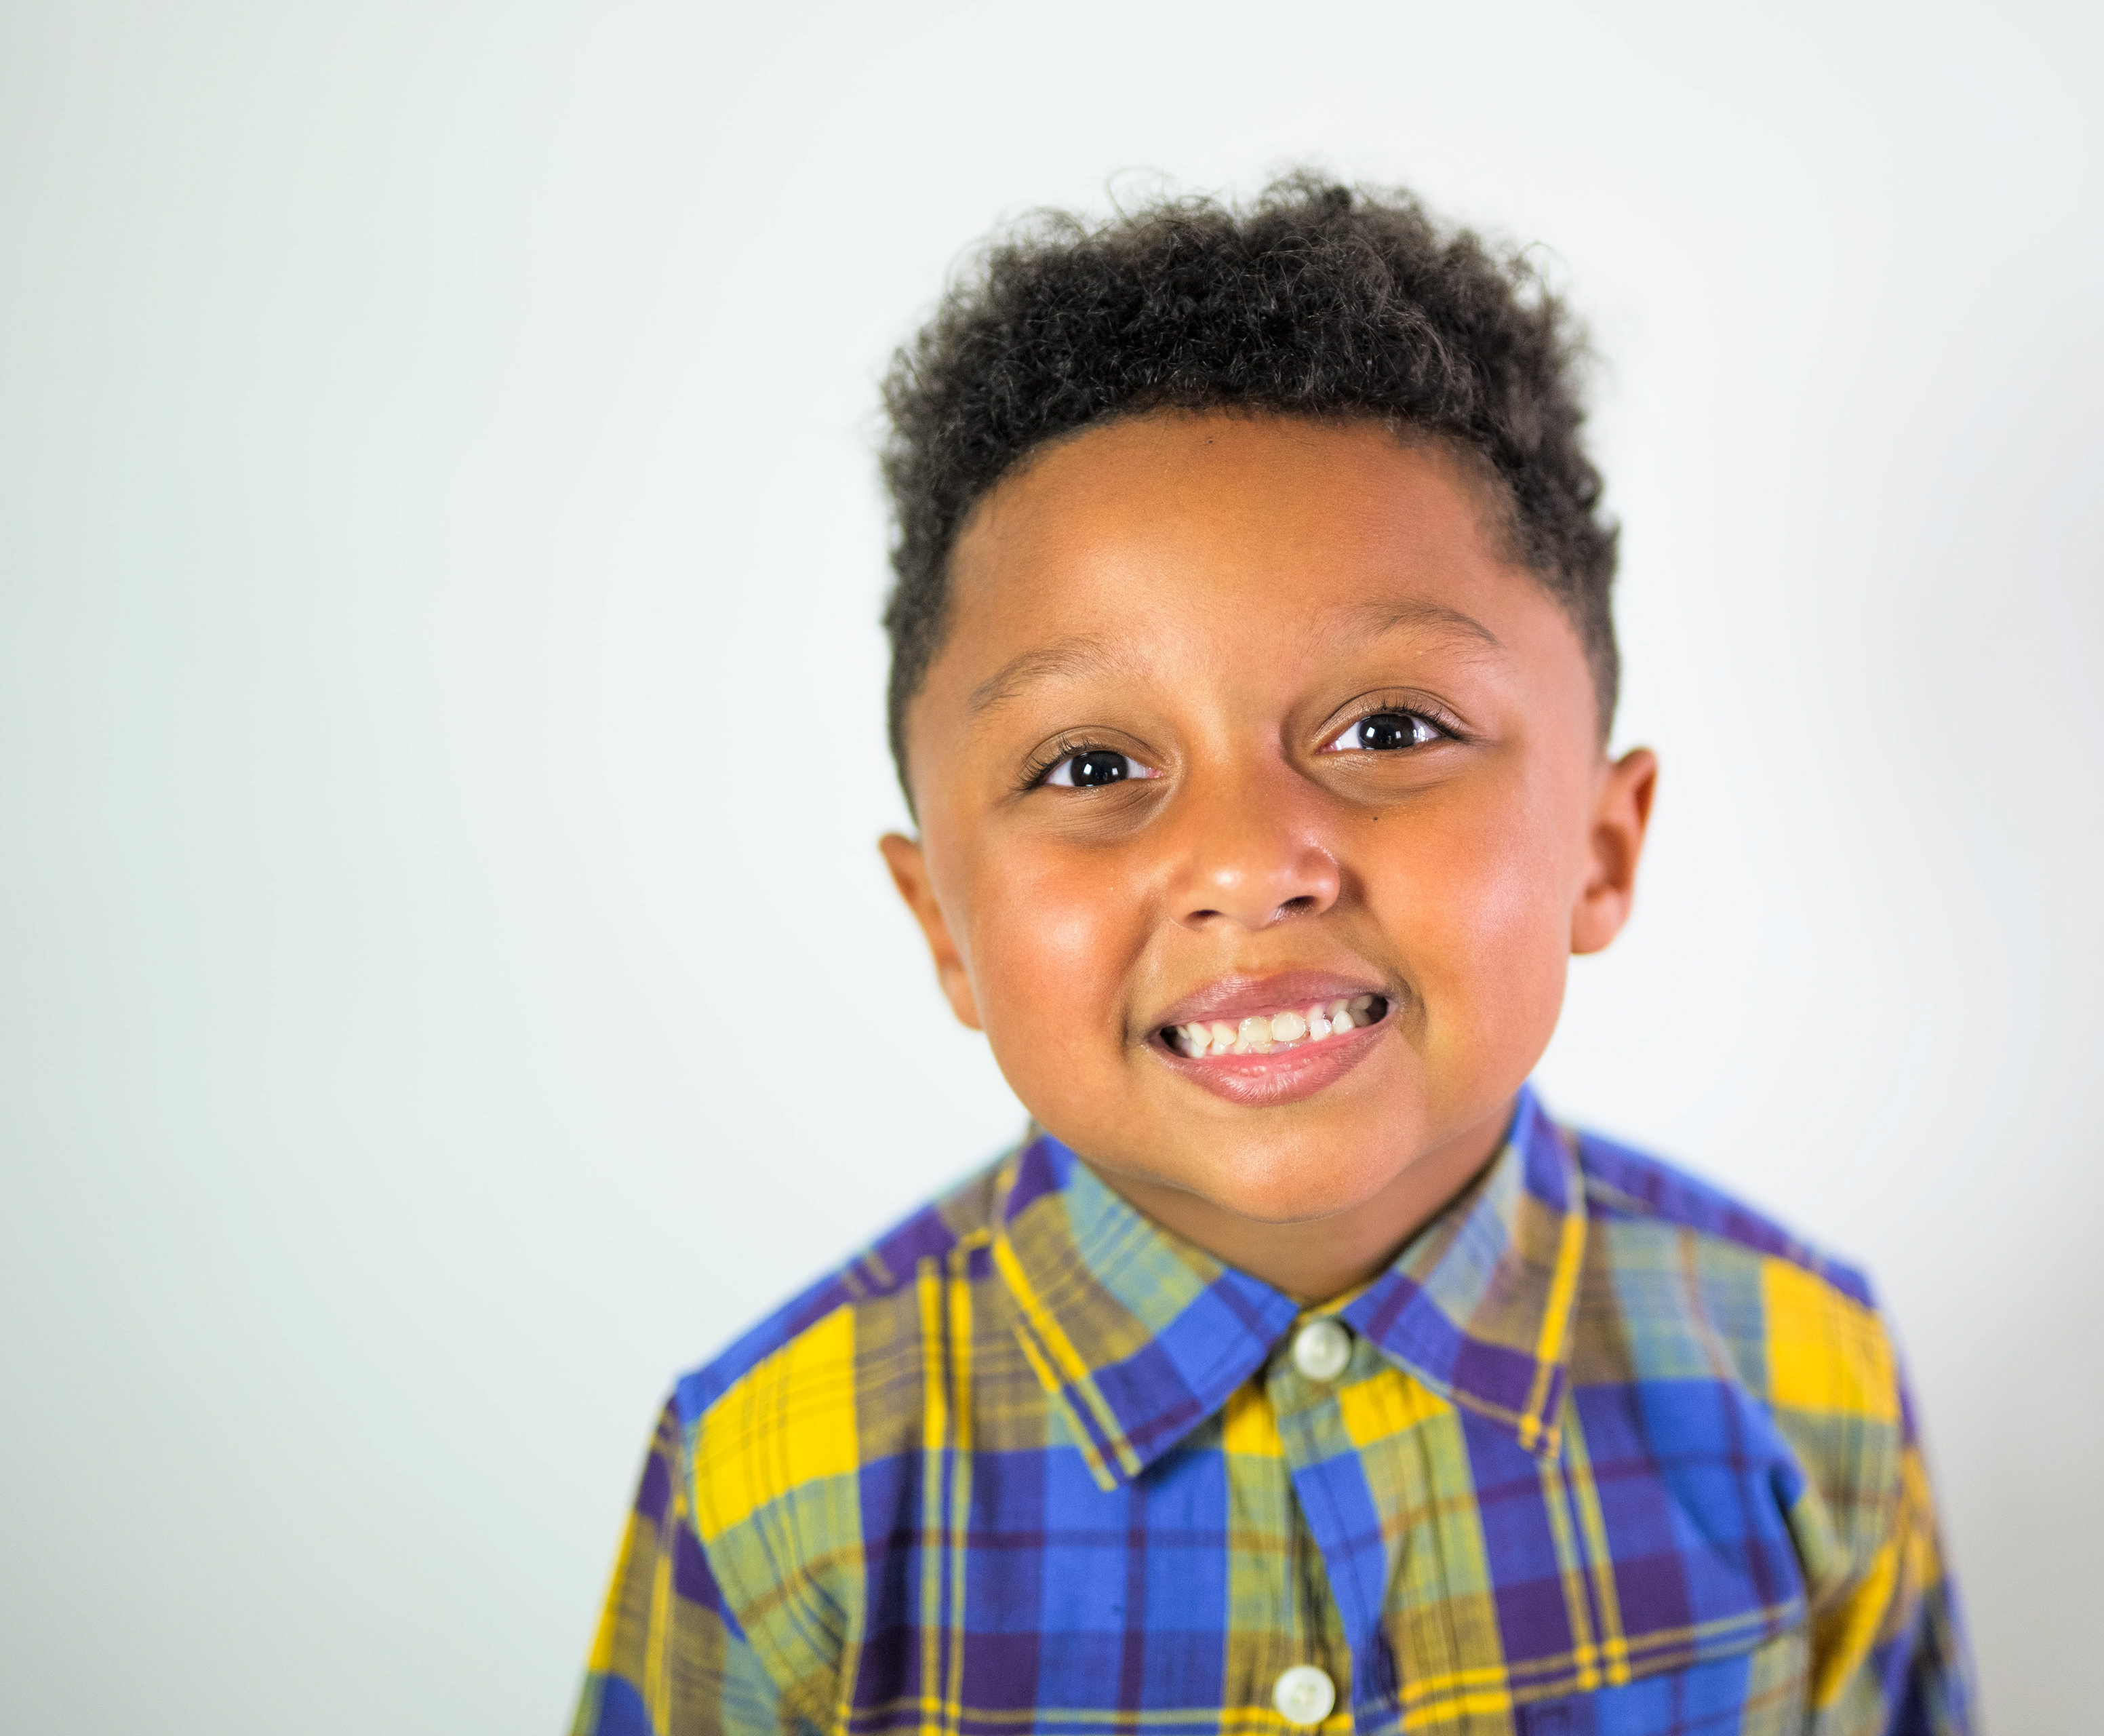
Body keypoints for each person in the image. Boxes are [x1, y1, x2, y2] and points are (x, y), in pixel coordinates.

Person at [572, 175, 1973, 1736]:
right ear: (943, 928)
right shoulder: (775, 1483)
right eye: (1092, 765)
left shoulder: (1801, 1383)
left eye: (1391, 728)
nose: (1249, 862)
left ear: (1602, 843)